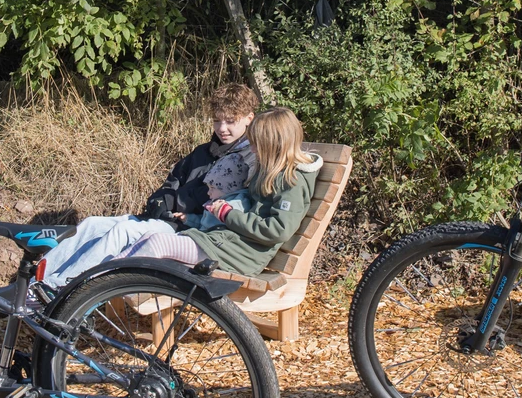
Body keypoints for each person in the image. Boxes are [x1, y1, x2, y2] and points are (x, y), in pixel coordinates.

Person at [34, 83, 259, 290]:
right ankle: (34, 283)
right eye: (217, 121)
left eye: (230, 121)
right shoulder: (203, 151)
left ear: (249, 118)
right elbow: (172, 181)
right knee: (92, 224)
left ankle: (61, 289)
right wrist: (160, 200)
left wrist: (177, 207)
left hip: (190, 230)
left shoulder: (248, 158)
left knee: (123, 231)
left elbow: (220, 202)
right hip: (165, 220)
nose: (222, 128)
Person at [123, 106, 320, 277]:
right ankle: (108, 289)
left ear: (274, 145)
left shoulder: (291, 181)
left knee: (158, 243)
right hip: (227, 243)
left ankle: (111, 289)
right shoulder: (269, 173)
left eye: (256, 144)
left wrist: (228, 214)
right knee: (149, 239)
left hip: (242, 255)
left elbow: (277, 230)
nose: (252, 150)